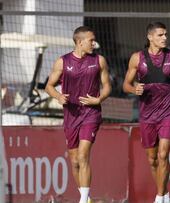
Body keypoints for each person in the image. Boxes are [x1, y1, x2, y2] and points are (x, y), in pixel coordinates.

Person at [123, 22, 170, 203]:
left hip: (169, 112)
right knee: (152, 159)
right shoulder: (137, 58)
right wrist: (134, 89)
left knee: (163, 154)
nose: (165, 38)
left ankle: (159, 197)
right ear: (150, 37)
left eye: (165, 34)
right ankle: (166, 194)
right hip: (147, 115)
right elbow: (126, 84)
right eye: (160, 35)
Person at [45, 26, 111, 203]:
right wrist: (58, 96)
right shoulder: (62, 62)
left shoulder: (99, 60)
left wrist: (99, 99)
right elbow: (48, 86)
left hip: (91, 114)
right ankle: (86, 197)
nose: (94, 43)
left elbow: (107, 86)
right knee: (75, 161)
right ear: (79, 42)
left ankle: (82, 200)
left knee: (83, 155)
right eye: (91, 40)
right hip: (71, 116)